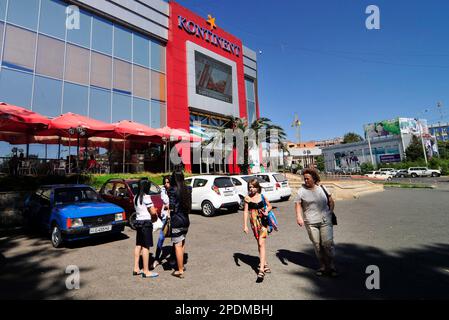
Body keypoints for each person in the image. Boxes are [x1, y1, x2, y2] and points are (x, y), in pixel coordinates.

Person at [295, 168, 338, 277]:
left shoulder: (322, 188)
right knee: (317, 245)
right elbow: (298, 204)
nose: (305, 181)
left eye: (307, 179)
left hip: (325, 220)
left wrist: (330, 212)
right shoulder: (301, 191)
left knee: (327, 244)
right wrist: (299, 217)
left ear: (314, 178)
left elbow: (331, 201)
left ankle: (332, 266)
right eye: (304, 179)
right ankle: (323, 266)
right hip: (311, 222)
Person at [243, 178, 273, 283]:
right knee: (259, 243)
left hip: (263, 222)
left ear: (257, 187)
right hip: (253, 224)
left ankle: (261, 270)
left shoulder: (262, 196)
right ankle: (264, 263)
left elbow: (270, 206)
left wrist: (266, 211)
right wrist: (245, 225)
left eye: (253, 187)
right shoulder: (247, 198)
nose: (251, 189)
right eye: (250, 187)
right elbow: (246, 212)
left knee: (261, 243)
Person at [133, 179, 159, 278]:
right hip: (146, 223)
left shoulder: (135, 197)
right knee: (145, 246)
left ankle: (136, 268)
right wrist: (155, 214)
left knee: (138, 245)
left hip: (138, 222)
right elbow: (152, 212)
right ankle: (146, 271)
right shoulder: (146, 197)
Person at [168, 169, 191, 279]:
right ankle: (180, 264)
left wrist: (167, 208)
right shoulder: (187, 189)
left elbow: (172, 207)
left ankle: (180, 270)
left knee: (177, 245)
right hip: (186, 219)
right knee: (182, 243)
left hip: (177, 220)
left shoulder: (173, 190)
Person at [152, 175, 171, 269]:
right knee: (161, 238)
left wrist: (169, 205)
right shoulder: (163, 190)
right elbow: (165, 200)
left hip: (173, 216)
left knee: (175, 239)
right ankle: (156, 258)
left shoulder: (173, 190)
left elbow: (169, 203)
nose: (166, 184)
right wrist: (169, 204)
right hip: (165, 217)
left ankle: (174, 258)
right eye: (165, 182)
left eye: (168, 182)